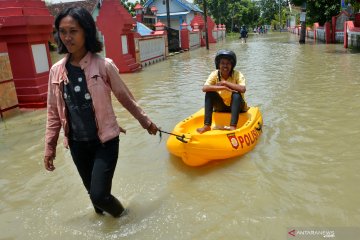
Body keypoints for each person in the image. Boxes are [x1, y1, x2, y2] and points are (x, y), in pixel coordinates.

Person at [43, 7, 158, 218]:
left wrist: (146, 122)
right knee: (93, 197)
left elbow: (126, 98)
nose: (67, 37)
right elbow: (53, 113)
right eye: (62, 31)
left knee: (99, 195)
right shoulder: (56, 71)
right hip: (77, 144)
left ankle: (125, 219)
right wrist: (50, 147)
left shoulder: (104, 65)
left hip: (105, 141)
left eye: (73, 31)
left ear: (86, 31)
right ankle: (107, 229)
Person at [197, 50, 248, 134]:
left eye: (228, 63)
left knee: (236, 94)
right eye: (222, 63)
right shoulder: (214, 74)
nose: (225, 66)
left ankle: (232, 126)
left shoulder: (238, 74)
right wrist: (222, 88)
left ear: (232, 65)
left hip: (238, 107)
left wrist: (225, 83)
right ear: (218, 65)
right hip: (222, 106)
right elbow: (204, 88)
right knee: (209, 93)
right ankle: (207, 125)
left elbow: (243, 89)